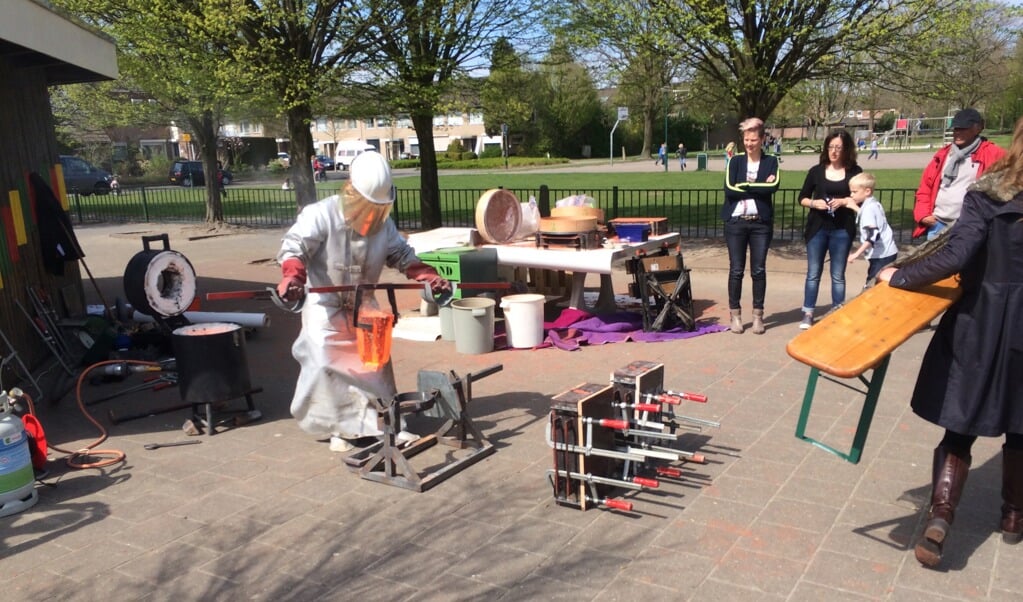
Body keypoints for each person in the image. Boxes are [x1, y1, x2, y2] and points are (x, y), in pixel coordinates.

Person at [876, 116, 1023, 567]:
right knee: (1020, 424)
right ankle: (1014, 516)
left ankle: (941, 516)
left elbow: (957, 253)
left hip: (982, 320)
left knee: (960, 424)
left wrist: (900, 275)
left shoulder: (989, 194)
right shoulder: (988, 192)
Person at [276, 151, 451, 453]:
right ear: (351, 191)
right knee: (326, 364)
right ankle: (340, 429)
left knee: (375, 365)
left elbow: (401, 254)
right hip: (324, 305)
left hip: (364, 303)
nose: (372, 214)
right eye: (367, 206)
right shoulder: (320, 214)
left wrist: (428, 275)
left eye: (378, 208)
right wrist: (292, 276)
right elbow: (295, 247)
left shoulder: (384, 225)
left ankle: (387, 425)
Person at [796, 130, 863, 329]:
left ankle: (837, 310)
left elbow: (860, 197)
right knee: (813, 272)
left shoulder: (854, 171)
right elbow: (802, 197)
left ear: (846, 150)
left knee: (837, 274)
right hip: (818, 228)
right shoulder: (816, 171)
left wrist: (843, 201)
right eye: (831, 147)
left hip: (842, 229)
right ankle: (808, 312)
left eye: (839, 148)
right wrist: (814, 203)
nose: (834, 151)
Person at [722, 117, 780, 334]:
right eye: (746, 139)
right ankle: (735, 314)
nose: (749, 144)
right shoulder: (735, 161)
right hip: (736, 223)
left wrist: (745, 186)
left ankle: (758, 315)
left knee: (758, 269)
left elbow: (772, 187)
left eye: (754, 140)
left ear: (762, 139)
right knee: (736, 269)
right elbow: (729, 189)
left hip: (760, 224)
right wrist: (757, 186)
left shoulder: (771, 161)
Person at [913, 108, 1005, 240]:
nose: (958, 133)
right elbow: (925, 187)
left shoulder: (993, 154)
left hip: (971, 227)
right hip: (938, 224)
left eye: (963, 129)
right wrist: (923, 215)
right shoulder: (943, 155)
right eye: (956, 129)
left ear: (977, 129)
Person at [845, 172, 897, 288]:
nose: (851, 195)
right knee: (880, 282)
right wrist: (854, 207)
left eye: (854, 192)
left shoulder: (868, 208)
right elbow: (871, 218)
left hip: (881, 255)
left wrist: (856, 254)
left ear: (867, 191)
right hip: (887, 252)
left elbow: (873, 235)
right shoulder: (873, 203)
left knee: (872, 285)